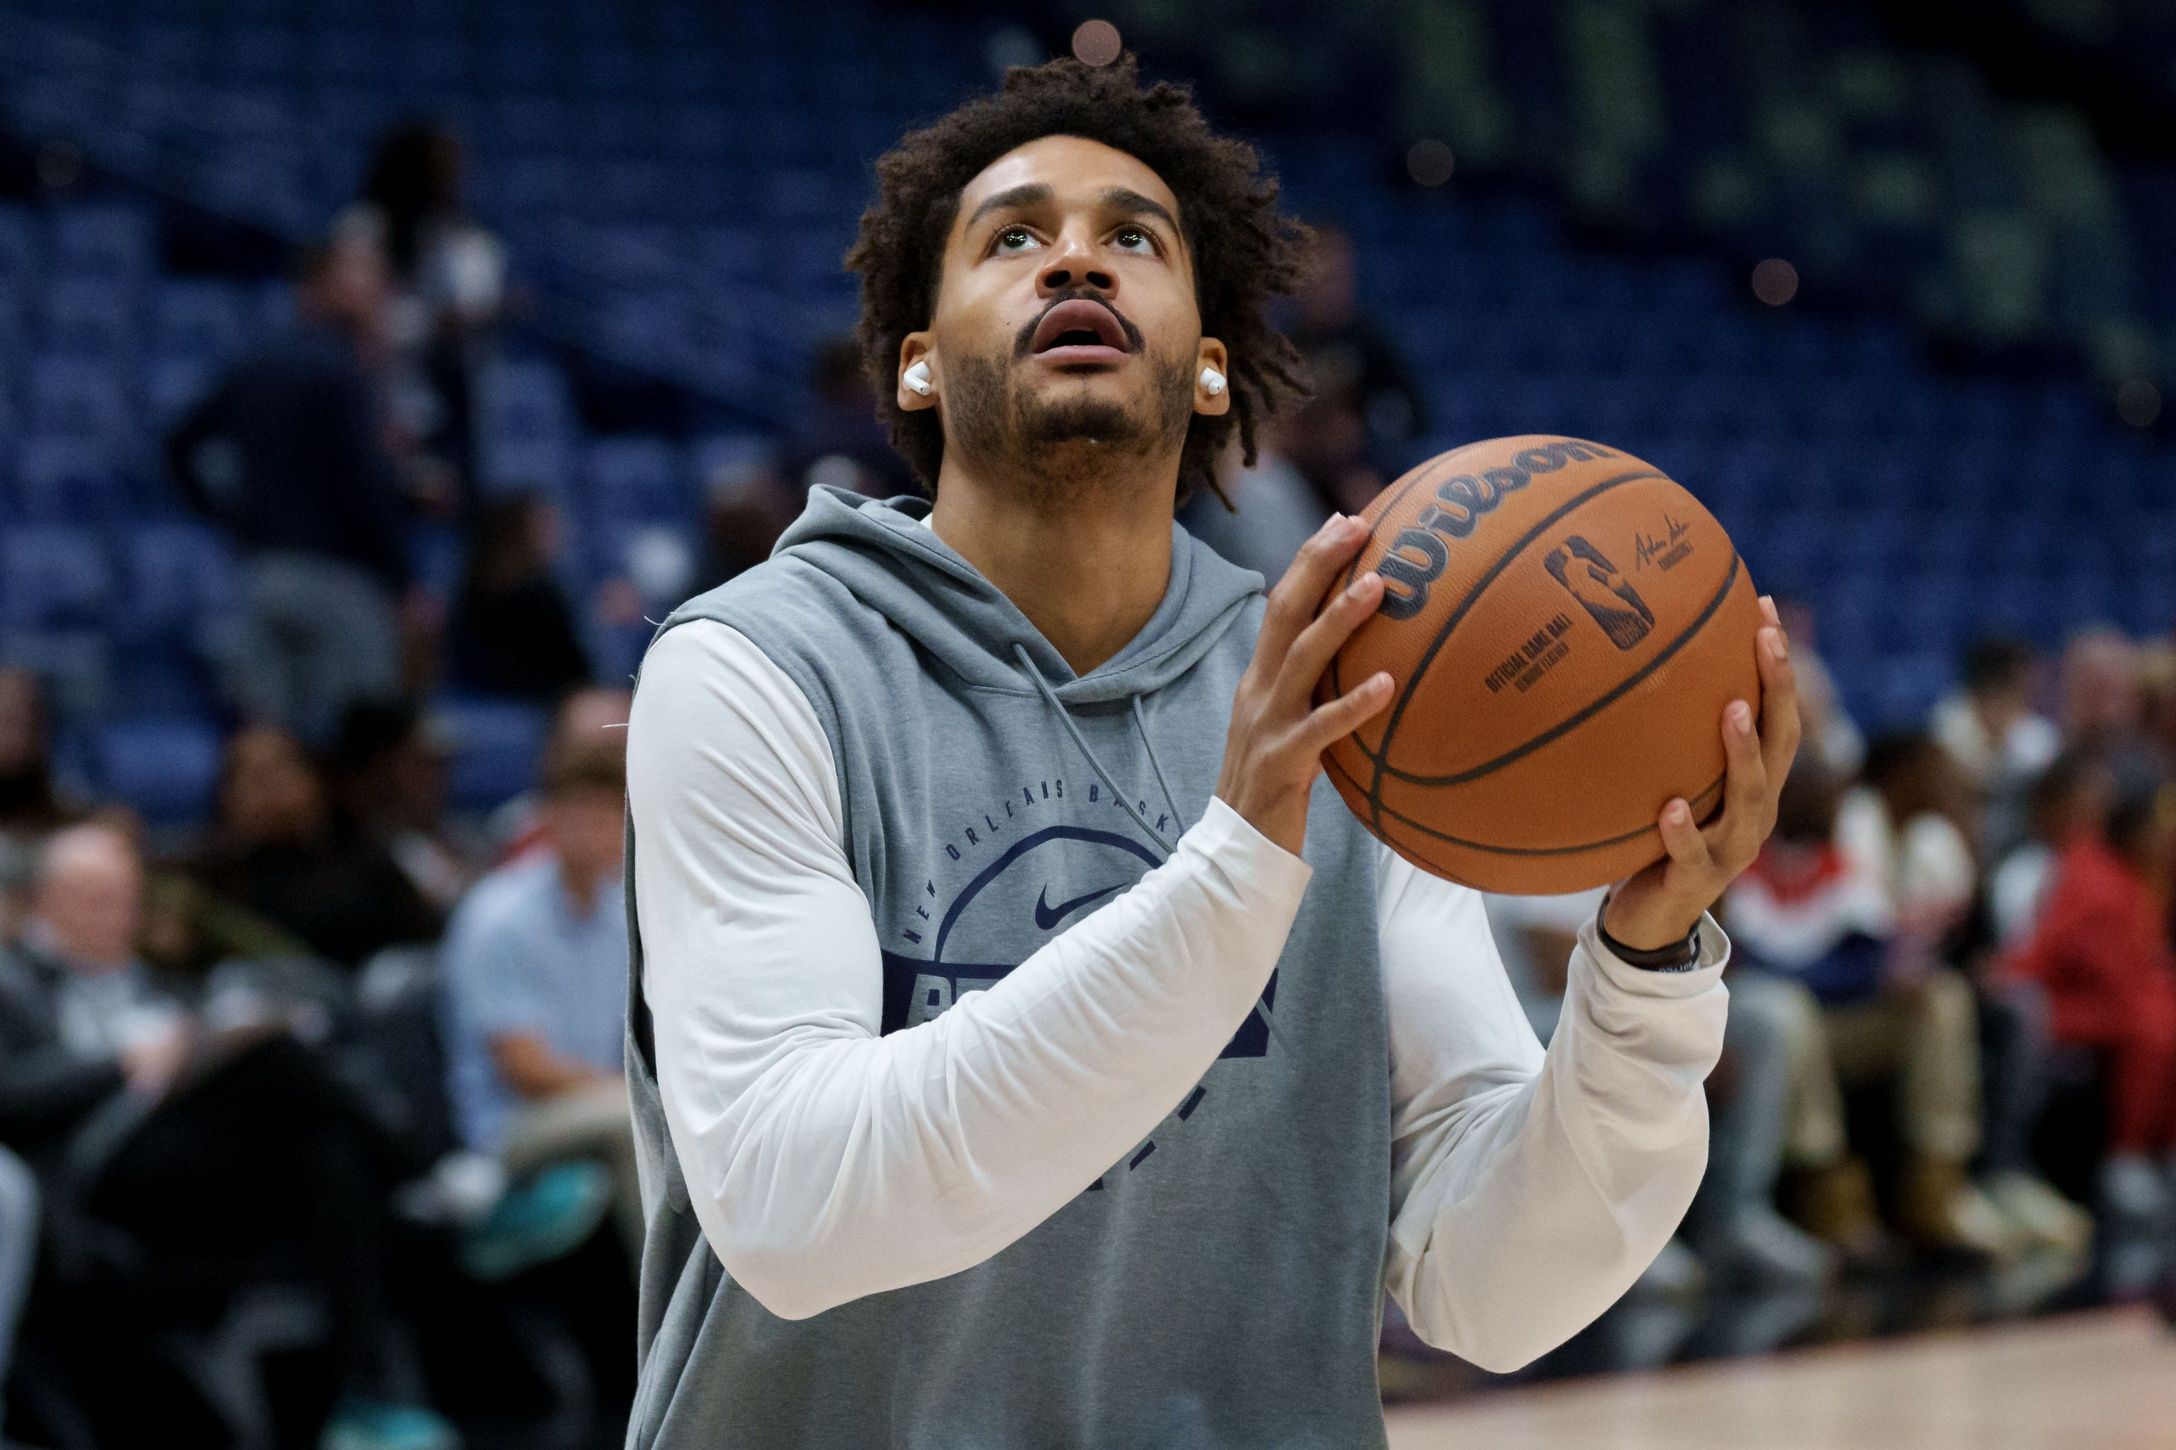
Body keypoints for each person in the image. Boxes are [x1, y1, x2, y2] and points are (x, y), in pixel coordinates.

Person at [621, 56, 1799, 1446]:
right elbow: (794, 1205)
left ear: (1215, 353)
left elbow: (1497, 1287)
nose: (1077, 257)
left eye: (1135, 235)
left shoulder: (1358, 694)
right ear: (917, 359)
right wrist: (1237, 864)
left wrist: (1646, 972)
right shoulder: (758, 667)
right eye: (1013, 235)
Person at [0, 824, 460, 1450]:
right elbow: (12, 1092)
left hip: (192, 1161)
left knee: (322, 1149)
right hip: (98, 1166)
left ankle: (364, 1398)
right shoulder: (15, 980)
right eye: (95, 898)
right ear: (43, 902)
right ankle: (428, 1175)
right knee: (280, 1061)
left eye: (126, 898)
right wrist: (124, 1061)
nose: (118, 915)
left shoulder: (146, 977)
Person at [1726, 767, 2012, 1260]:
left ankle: (1936, 1181)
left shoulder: (1844, 865)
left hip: (1846, 1027)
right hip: (1791, 1032)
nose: (1824, 807)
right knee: (1787, 1010)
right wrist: (1847, 974)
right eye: (1808, 794)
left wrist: (1897, 972)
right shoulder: (1740, 867)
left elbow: (1873, 953)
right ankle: (1826, 1192)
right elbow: (1754, 963)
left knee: (1940, 997)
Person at [166, 235, 432, 746]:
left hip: (262, 574)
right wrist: (405, 582)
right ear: (319, 287)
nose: (378, 290)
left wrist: (229, 518)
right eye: (362, 277)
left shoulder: (257, 363)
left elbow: (177, 445)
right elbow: (363, 485)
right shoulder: (342, 369)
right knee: (360, 740)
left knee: (272, 744)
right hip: (341, 582)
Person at [440, 746, 639, 1263]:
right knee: (639, 1120)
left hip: (598, 1105)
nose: (597, 831)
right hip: (511, 1130)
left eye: (609, 816)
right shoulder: (498, 916)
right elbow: (524, 1068)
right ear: (549, 819)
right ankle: (665, 1320)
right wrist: (636, 1093)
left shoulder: (620, 915)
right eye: (583, 816)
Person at [2003, 775, 2176, 1237]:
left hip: (2112, 999)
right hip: (2069, 1004)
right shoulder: (2091, 870)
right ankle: (2126, 1157)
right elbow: (2050, 948)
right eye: (2160, 830)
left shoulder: (2144, 877)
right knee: (2153, 1026)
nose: (2167, 841)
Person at [185, 727, 442, 971]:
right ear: (227, 797)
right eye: (251, 777)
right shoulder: (208, 882)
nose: (268, 790)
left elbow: (424, 938)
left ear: (313, 780)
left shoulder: (367, 860)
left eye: (278, 772)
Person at [447, 492, 595, 702]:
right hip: (530, 701)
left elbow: (576, 669)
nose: (556, 535)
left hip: (554, 698)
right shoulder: (479, 592)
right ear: (515, 532)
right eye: (544, 527)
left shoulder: (547, 592)